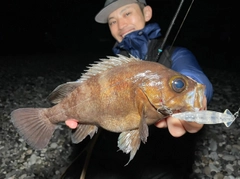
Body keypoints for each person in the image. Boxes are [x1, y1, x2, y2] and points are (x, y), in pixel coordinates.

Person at [64, 0, 213, 178]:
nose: (120, 24)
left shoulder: (175, 54)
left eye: (127, 13)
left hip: (164, 166)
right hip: (112, 165)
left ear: (147, 13)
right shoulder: (110, 68)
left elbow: (194, 78)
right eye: (112, 21)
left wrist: (191, 98)